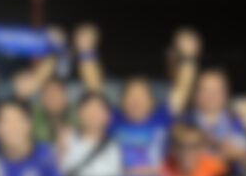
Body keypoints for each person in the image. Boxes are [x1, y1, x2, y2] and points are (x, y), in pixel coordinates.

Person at [75, 23, 199, 163]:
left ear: (152, 102)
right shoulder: (113, 119)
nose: (136, 101)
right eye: (131, 96)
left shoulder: (163, 117)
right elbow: (94, 90)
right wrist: (86, 51)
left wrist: (189, 57)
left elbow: (183, 88)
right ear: (122, 101)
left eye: (141, 96)